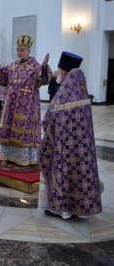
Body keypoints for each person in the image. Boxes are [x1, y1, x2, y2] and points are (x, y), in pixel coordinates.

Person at [38, 51, 102, 220]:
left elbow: (48, 118)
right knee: (81, 171)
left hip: (64, 145)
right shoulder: (81, 90)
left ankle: (63, 209)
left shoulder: (64, 94)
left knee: (64, 171)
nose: (58, 73)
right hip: (83, 147)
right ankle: (81, 209)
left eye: (59, 70)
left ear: (64, 71)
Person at [0, 34, 52, 166]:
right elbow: (2, 77)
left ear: (28, 51)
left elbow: (44, 79)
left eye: (22, 50)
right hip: (11, 104)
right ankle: (8, 155)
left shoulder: (35, 66)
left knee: (24, 129)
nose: (19, 52)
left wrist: (45, 66)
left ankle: (25, 158)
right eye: (18, 49)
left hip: (28, 106)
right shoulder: (12, 66)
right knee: (10, 129)